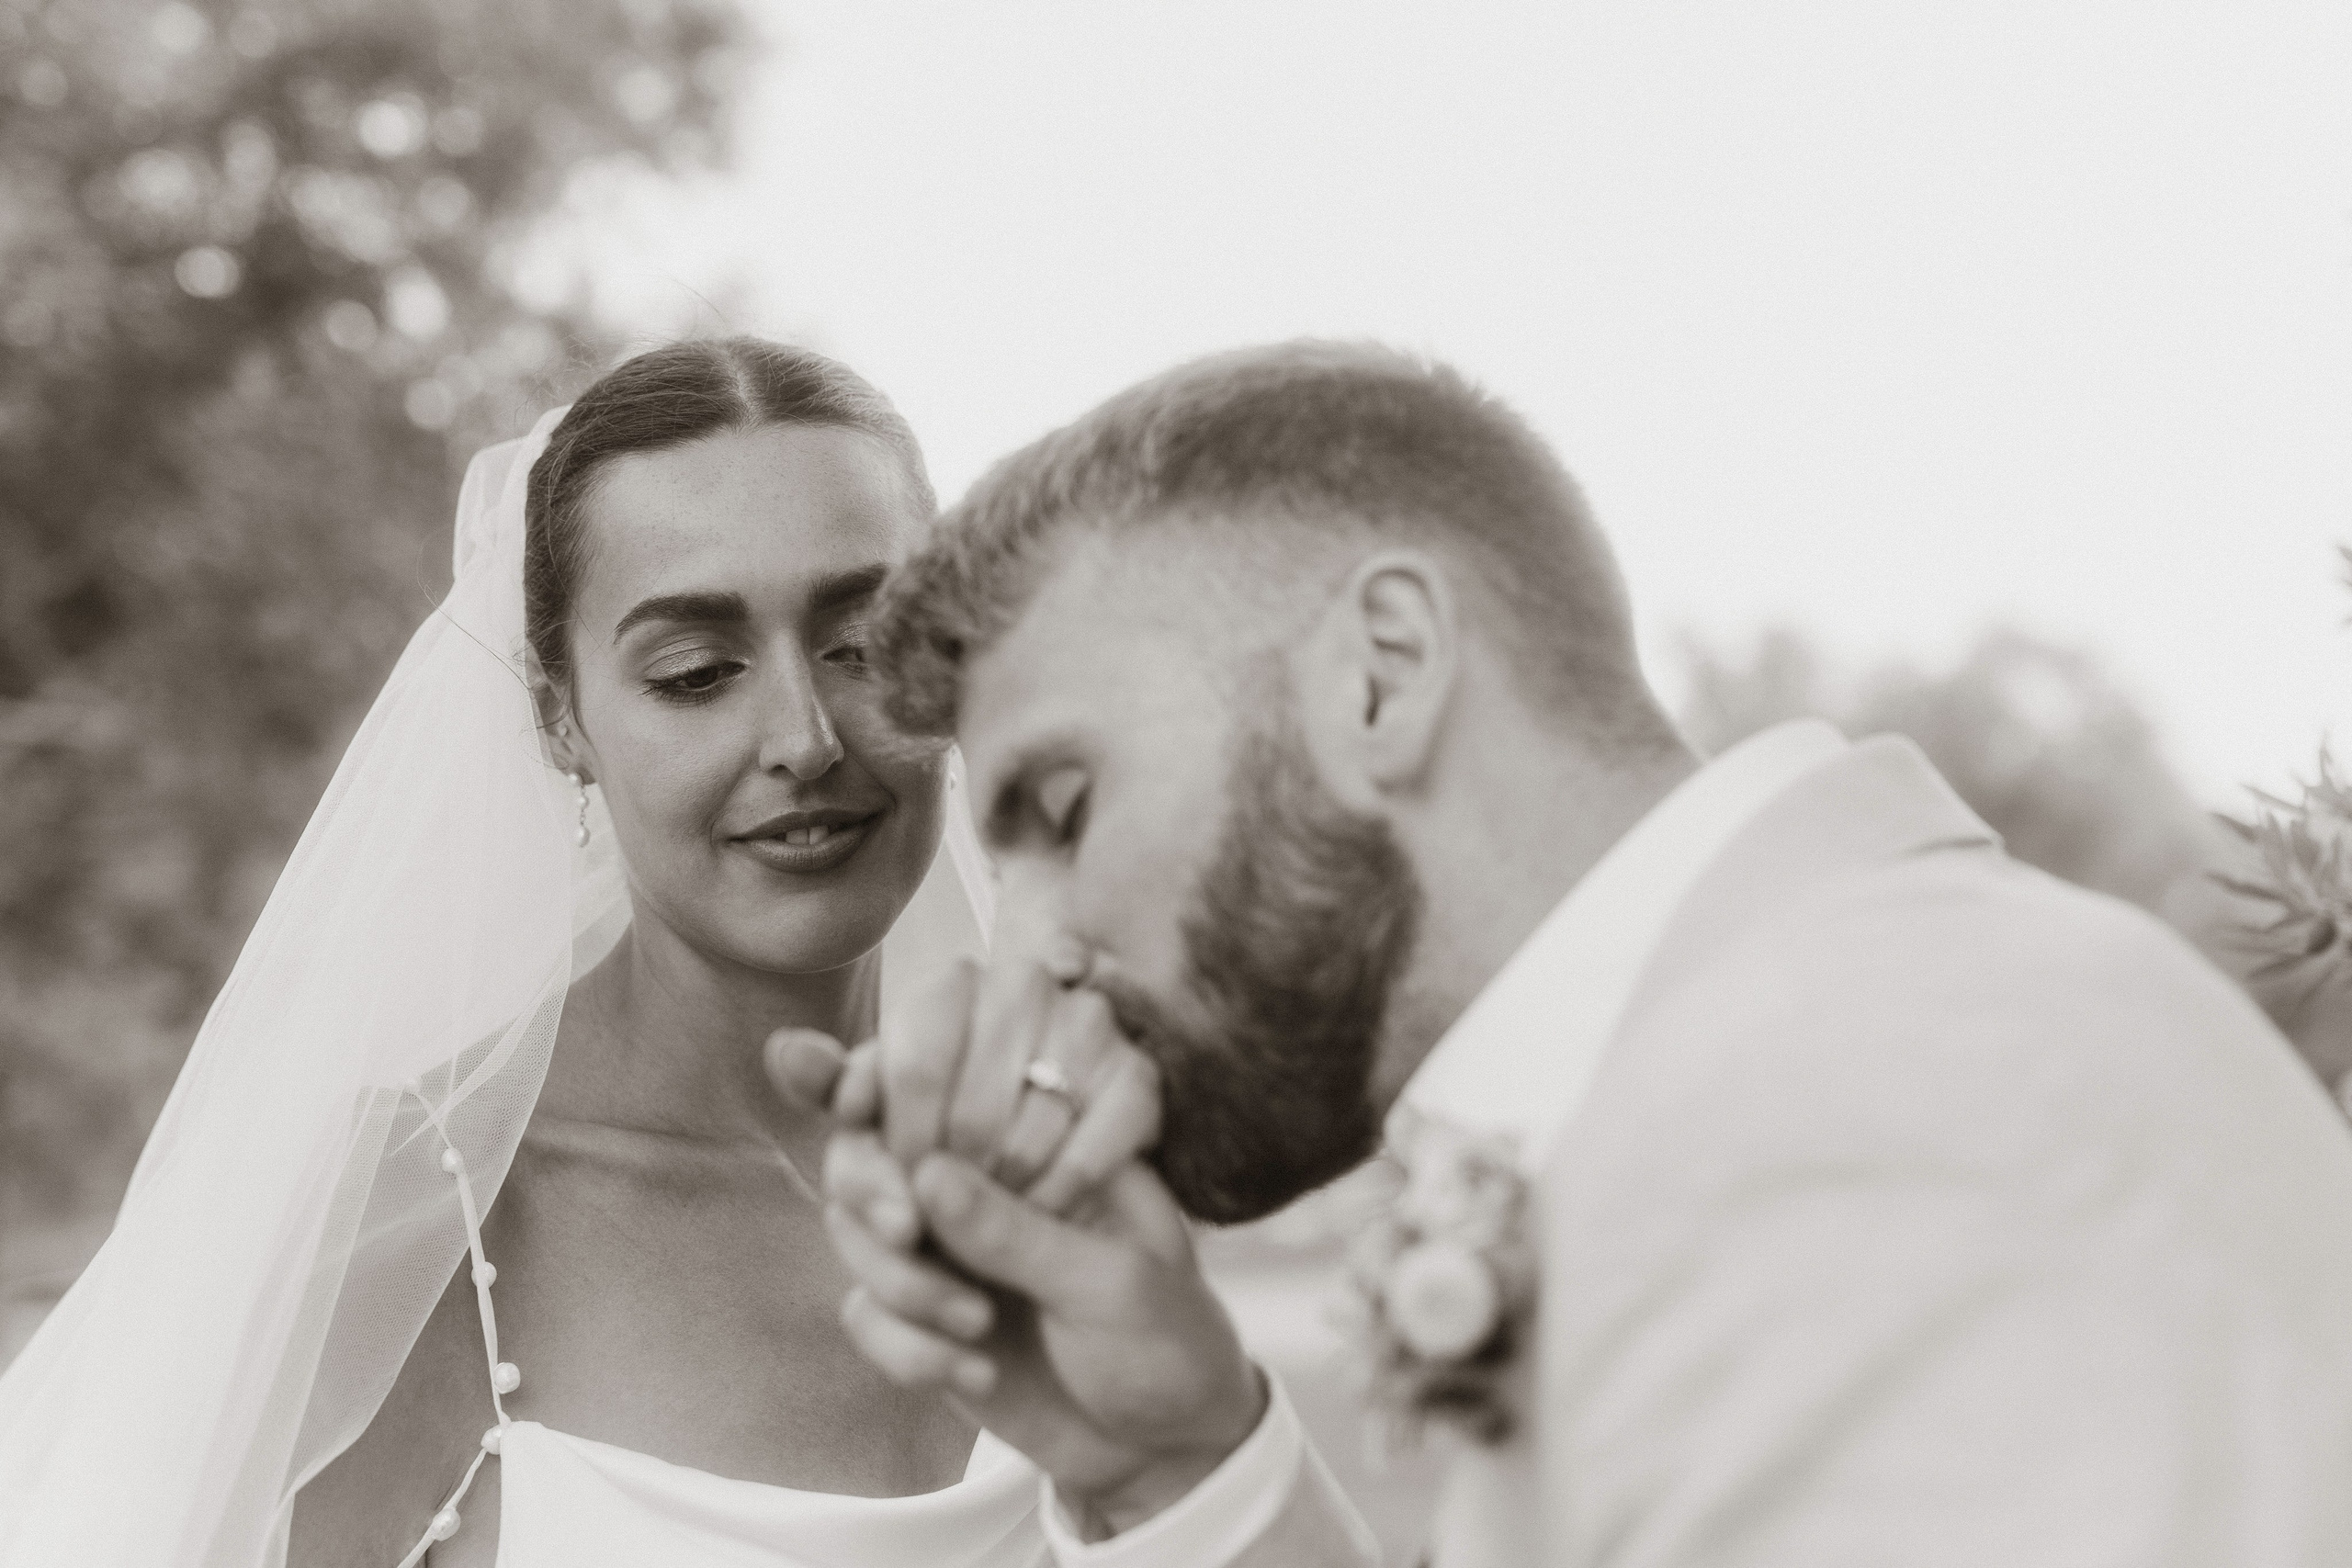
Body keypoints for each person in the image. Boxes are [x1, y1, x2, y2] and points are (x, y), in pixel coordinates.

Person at [796, 341, 2352, 1566]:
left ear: (1383, 673)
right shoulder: (1789, 1060)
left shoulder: (1872, 1105)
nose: (1035, 957)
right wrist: (1172, 1466)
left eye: (1064, 812)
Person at [0, 338, 1151, 1568]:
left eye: (862, 642)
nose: (805, 737)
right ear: (561, 715)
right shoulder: (426, 1224)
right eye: (698, 673)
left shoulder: (1054, 1178)